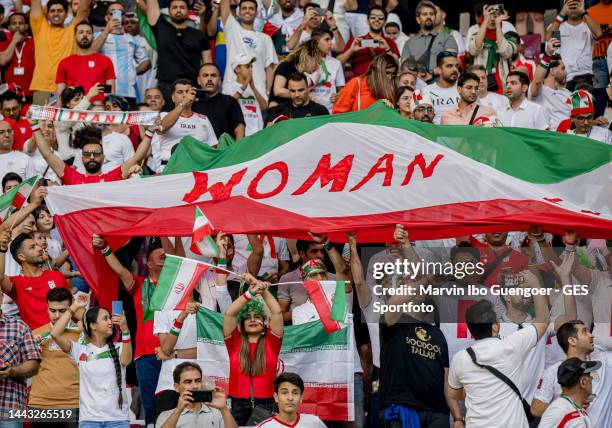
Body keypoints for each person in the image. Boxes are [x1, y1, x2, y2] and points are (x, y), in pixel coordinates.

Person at [447, 284, 550, 428]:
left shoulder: (460, 358)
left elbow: (453, 393)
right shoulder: (511, 346)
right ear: (495, 326)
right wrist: (535, 283)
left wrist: (479, 390)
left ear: (471, 330)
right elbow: (544, 319)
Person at [92, 235, 163, 428]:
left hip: (172, 353)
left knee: (172, 404)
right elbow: (120, 270)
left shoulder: (176, 286)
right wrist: (105, 248)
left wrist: (162, 230)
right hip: (145, 354)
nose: (166, 258)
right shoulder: (139, 284)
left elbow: (179, 257)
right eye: (162, 256)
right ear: (148, 262)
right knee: (151, 407)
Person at [51, 300, 132, 427]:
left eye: (110, 318)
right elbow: (55, 333)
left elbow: (127, 361)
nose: (110, 322)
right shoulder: (80, 350)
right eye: (105, 319)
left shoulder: (119, 347)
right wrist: (74, 307)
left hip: (118, 420)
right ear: (93, 325)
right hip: (89, 420)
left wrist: (126, 330)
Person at [223, 274, 283, 425]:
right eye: (247, 317)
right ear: (241, 324)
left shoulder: (272, 341)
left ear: (264, 323)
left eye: (257, 316)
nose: (252, 319)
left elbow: (276, 312)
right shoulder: (234, 341)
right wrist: (250, 292)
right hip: (237, 404)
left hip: (266, 404)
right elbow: (230, 313)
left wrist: (261, 289)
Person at [140, 0, 211, 106]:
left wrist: (205, 87)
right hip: (166, 87)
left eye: (182, 7)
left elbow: (207, 64)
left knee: (192, 120)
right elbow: (151, 3)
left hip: (191, 86)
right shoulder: (160, 27)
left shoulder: (200, 35)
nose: (178, 10)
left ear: (188, 11)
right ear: (169, 11)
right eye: (175, 7)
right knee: (167, 121)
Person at [33, 123, 151, 185]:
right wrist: (34, 126)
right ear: (82, 157)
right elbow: (47, 154)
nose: (92, 157)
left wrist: (150, 132)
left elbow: (137, 157)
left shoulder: (112, 178)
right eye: (87, 154)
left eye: (96, 153)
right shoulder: (73, 178)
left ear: (103, 157)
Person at [0, 229, 71, 330]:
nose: (39, 248)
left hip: (66, 335)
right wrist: (2, 249)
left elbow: (72, 307)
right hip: (37, 342)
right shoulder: (16, 283)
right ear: (21, 256)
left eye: (37, 245)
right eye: (33, 247)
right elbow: (0, 277)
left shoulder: (56, 275)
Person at [28, 288, 80, 426]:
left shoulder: (81, 334)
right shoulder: (35, 334)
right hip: (40, 404)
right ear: (47, 308)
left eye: (63, 311)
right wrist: (30, 348)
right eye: (52, 310)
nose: (57, 316)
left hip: (74, 403)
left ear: (71, 308)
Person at [29, 0, 92, 103]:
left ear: (67, 13)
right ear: (47, 13)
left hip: (66, 90)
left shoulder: (74, 30)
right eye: (52, 11)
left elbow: (84, 9)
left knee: (63, 120)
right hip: (42, 88)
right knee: (40, 120)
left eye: (60, 11)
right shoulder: (39, 27)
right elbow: (35, 4)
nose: (56, 14)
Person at [531, 320, 595, 417]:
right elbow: (536, 409)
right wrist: (570, 406)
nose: (591, 335)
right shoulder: (553, 371)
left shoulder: (602, 365)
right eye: (585, 331)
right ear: (572, 340)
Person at [151, 80, 218, 172]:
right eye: (180, 92)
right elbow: (162, 127)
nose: (185, 95)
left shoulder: (204, 119)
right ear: (173, 97)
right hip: (170, 167)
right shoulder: (162, 115)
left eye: (188, 92)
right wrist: (183, 103)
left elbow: (213, 148)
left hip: (199, 169)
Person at [94, 2, 151, 104]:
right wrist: (107, 30)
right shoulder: (97, 35)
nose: (116, 15)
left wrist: (133, 72)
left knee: (128, 119)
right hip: (105, 91)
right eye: (112, 13)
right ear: (106, 17)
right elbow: (91, 53)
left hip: (128, 91)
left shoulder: (132, 39)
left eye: (120, 13)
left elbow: (146, 62)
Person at [220, 0, 278, 95]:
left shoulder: (266, 38)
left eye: (251, 8)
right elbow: (224, 5)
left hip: (258, 90)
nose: (247, 11)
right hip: (232, 88)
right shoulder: (232, 30)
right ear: (239, 12)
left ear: (256, 13)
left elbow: (269, 69)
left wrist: (268, 91)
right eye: (244, 8)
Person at [156, 362, 238, 428]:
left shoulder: (217, 413)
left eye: (198, 381)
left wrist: (224, 409)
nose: (195, 386)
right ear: (177, 387)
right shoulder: (166, 415)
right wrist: (178, 411)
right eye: (188, 382)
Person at [0, 292, 41, 423]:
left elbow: (34, 365)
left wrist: (11, 371)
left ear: (1, 296)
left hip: (9, 409)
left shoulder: (19, 326)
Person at [55, 20, 116, 105]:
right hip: (74, 109)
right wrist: (58, 112)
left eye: (88, 33)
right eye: (80, 32)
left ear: (93, 36)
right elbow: (59, 93)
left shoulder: (106, 61)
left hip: (98, 109)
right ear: (74, 36)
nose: (84, 35)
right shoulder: (64, 63)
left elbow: (110, 91)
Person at [546, 0, 602, 91]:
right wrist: (562, 13)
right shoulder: (559, 27)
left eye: (577, 3)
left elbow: (599, 34)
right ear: (564, 5)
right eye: (570, 3)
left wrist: (583, 11)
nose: (574, 7)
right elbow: (548, 39)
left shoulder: (588, 26)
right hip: (565, 79)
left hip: (586, 77)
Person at [466, 3, 517, 95]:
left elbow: (505, 52)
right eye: (489, 16)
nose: (493, 19)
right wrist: (485, 21)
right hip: (480, 84)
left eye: (495, 16)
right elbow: (474, 50)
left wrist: (498, 24)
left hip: (503, 84)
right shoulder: (476, 36)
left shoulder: (509, 37)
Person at [338, 5, 400, 77]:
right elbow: (338, 63)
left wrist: (387, 49)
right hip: (360, 83)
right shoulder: (357, 41)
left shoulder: (389, 42)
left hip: (382, 83)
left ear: (385, 22)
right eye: (373, 17)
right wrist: (351, 50)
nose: (376, 20)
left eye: (380, 18)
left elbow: (397, 66)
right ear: (368, 21)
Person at [400, 1, 457, 76]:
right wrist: (419, 75)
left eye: (431, 14)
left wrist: (432, 73)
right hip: (416, 85)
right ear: (418, 19)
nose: (429, 16)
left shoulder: (447, 38)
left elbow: (451, 63)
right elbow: (405, 68)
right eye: (424, 14)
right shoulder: (409, 43)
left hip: (440, 85)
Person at [539, 358, 599, 428]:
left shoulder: (577, 409)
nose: (592, 378)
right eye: (589, 375)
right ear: (583, 382)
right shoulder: (559, 410)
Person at [191, 63, 246, 139]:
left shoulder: (230, 101)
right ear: (199, 80)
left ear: (220, 80)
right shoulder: (191, 103)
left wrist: (238, 149)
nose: (209, 79)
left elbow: (239, 128)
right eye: (205, 75)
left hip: (225, 149)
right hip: (199, 149)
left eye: (213, 75)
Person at [529, 39, 572, 131]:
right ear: (552, 71)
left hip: (572, 135)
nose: (566, 72)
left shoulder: (567, 93)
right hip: (552, 136)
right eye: (562, 68)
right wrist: (548, 54)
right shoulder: (540, 91)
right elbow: (537, 81)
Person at [257, 373, 326, 427]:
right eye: (284, 393)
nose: (290, 398)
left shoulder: (315, 423)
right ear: (276, 397)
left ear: (301, 397)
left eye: (295, 393)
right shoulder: (264, 427)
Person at [222, 54, 267, 136]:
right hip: (241, 134)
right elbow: (229, 105)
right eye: (247, 67)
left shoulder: (256, 86)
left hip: (258, 132)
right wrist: (246, 84)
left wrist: (253, 87)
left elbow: (264, 107)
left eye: (251, 66)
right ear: (237, 69)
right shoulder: (228, 87)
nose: (251, 70)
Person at [269, 39, 324, 106]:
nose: (317, 67)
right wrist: (307, 97)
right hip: (278, 108)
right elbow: (278, 91)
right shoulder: (286, 66)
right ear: (309, 59)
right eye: (317, 62)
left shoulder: (301, 73)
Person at [0, 13, 35, 101]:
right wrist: (14, 41)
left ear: (27, 26)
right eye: (14, 23)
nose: (17, 26)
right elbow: (3, 61)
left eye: (20, 23)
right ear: (8, 27)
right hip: (9, 94)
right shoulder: (2, 45)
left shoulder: (34, 43)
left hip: (32, 93)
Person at [421, 51, 460, 124]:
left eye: (456, 66)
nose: (455, 69)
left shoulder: (465, 89)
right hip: (434, 132)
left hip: (461, 132)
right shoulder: (426, 91)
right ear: (439, 70)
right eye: (449, 66)